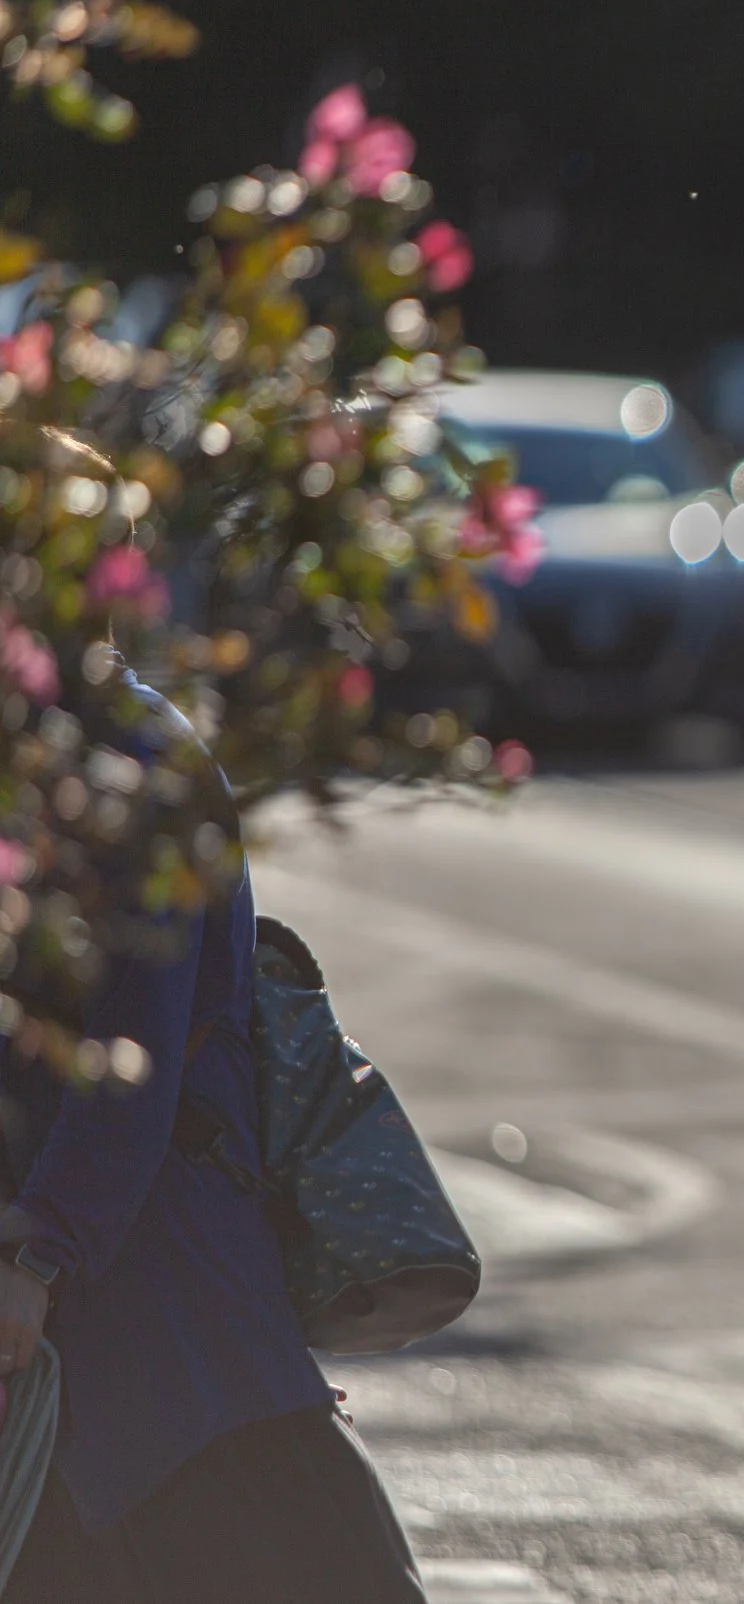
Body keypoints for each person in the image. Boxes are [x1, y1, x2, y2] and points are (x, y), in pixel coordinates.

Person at [0, 674, 427, 1602]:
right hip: (117, 1350)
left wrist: (36, 1254)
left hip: (170, 1328)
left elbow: (131, 1061)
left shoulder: (137, 761)